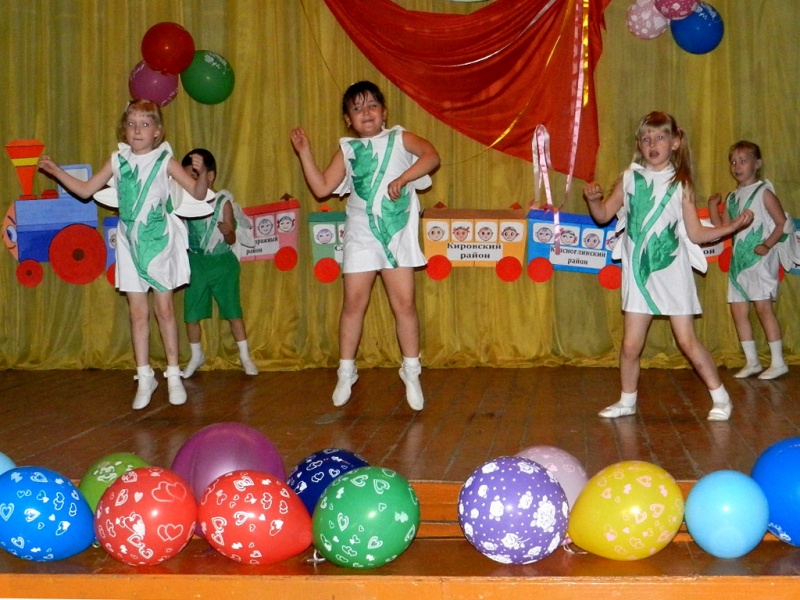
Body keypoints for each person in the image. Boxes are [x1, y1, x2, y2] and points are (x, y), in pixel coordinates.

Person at [37, 99, 209, 410]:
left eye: (144, 124)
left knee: (164, 310)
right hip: (130, 245)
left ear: (157, 131)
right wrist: (56, 171)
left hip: (158, 243)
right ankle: (144, 377)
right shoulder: (117, 160)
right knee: (137, 313)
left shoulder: (165, 160)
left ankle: (173, 374)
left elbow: (197, 194)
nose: (137, 130)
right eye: (131, 124)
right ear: (124, 130)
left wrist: (201, 174)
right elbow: (86, 190)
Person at [583, 111, 753, 421]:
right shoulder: (629, 178)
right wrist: (594, 200)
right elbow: (604, 215)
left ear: (675, 142)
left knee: (686, 340)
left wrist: (732, 226)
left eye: (660, 137)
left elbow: (696, 233)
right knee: (630, 345)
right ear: (639, 144)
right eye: (646, 138)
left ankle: (721, 397)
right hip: (639, 273)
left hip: (672, 272)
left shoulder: (680, 184)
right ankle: (627, 401)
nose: (653, 144)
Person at [290, 80, 439, 410]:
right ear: (348, 119)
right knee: (354, 302)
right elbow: (322, 187)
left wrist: (404, 178)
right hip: (360, 233)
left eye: (372, 105)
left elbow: (431, 156)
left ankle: (411, 371)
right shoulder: (348, 149)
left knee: (404, 303)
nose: (366, 112)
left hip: (395, 231)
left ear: (384, 111)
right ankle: (346, 371)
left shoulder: (400, 138)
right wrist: (305, 153)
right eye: (357, 109)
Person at [708, 140, 791, 380]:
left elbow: (782, 223)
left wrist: (767, 244)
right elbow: (722, 228)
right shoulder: (733, 197)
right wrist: (713, 207)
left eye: (743, 161)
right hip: (739, 263)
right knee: (738, 310)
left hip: (760, 260)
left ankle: (778, 362)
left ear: (757, 164)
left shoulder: (764, 193)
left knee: (763, 308)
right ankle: (752, 361)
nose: (737, 166)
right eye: (733, 162)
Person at [179, 148, 258, 379]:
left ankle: (245, 356)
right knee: (191, 313)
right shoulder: (184, 203)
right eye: (186, 178)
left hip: (222, 263)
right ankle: (196, 355)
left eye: (194, 176)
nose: (190, 183)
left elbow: (232, 239)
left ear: (210, 176)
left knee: (232, 310)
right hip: (196, 263)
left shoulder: (223, 202)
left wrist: (228, 232)